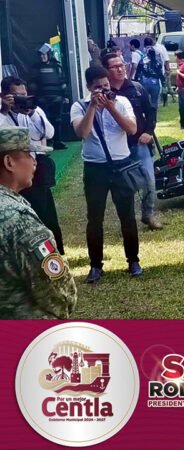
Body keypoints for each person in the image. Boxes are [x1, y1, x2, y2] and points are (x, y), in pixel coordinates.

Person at [70, 65, 141, 283]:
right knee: (95, 218)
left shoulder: (122, 102)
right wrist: (92, 107)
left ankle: (133, 260)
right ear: (89, 87)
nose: (104, 90)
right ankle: (95, 265)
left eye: (106, 85)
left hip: (121, 165)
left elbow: (132, 129)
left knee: (127, 215)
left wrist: (111, 107)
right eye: (98, 87)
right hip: (95, 168)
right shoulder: (79, 106)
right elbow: (82, 132)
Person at [0, 127, 76, 318]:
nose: (34, 161)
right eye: (29, 154)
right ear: (9, 162)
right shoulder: (19, 219)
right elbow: (59, 292)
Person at [1, 78, 64, 254]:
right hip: (9, 176)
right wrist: (4, 111)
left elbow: (49, 133)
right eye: (17, 96)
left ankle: (55, 255)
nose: (22, 99)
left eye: (24, 94)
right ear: (5, 96)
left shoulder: (33, 110)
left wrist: (33, 113)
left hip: (34, 172)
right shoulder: (2, 114)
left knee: (47, 217)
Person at [102, 52, 161, 231]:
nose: (120, 69)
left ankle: (148, 214)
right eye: (115, 67)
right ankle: (127, 222)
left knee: (149, 181)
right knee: (124, 186)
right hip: (117, 147)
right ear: (106, 70)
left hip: (139, 142)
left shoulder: (137, 88)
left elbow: (150, 112)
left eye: (122, 65)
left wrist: (149, 132)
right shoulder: (104, 93)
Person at [30, 44, 68, 149]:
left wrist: (64, 96)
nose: (42, 57)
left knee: (57, 120)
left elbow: (63, 82)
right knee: (42, 120)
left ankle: (57, 141)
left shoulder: (57, 66)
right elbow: (32, 83)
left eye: (44, 54)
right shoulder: (35, 68)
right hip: (41, 99)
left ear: (49, 54)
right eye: (40, 55)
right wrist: (34, 96)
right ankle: (46, 142)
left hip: (56, 98)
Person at [140, 38, 165, 116]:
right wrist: (163, 80)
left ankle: (147, 116)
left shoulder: (143, 57)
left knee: (146, 101)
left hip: (144, 81)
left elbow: (139, 69)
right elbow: (160, 70)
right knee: (154, 101)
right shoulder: (157, 58)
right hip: (155, 81)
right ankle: (154, 117)